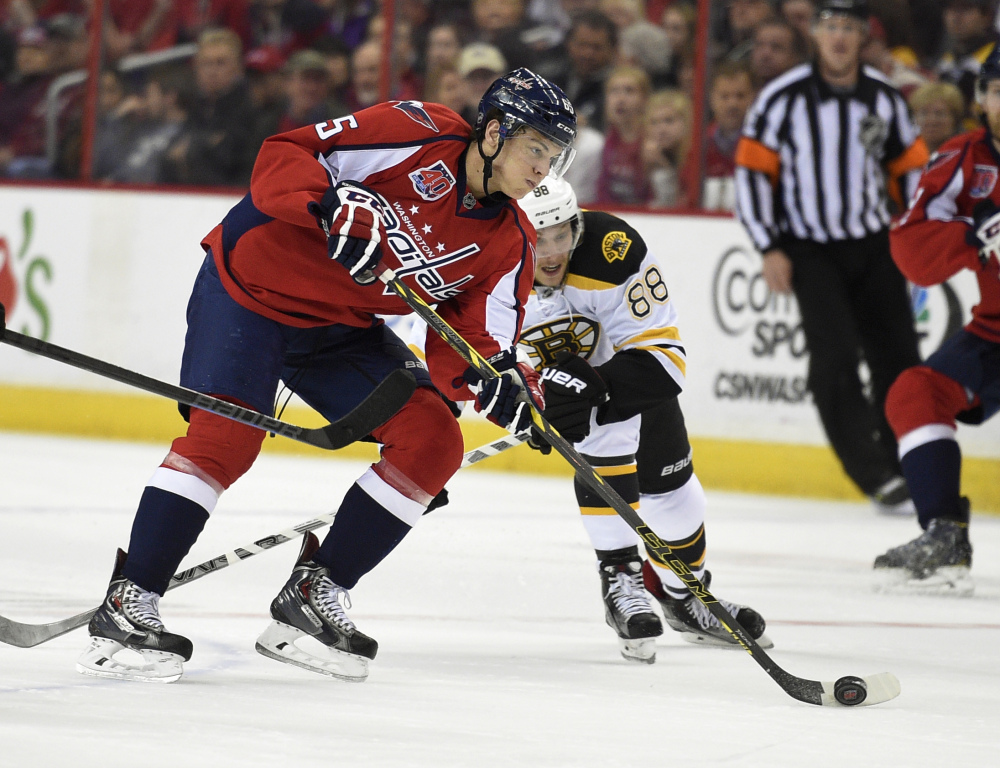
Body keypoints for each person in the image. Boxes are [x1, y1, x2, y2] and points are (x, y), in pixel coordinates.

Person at [75, 67, 577, 683]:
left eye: (553, 159)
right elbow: (284, 154)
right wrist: (330, 200)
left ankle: (316, 593)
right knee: (225, 441)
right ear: (495, 133)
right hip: (250, 290)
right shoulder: (417, 132)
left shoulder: (510, 243)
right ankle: (131, 601)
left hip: (337, 328)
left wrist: (504, 382)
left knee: (433, 440)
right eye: (536, 151)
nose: (542, 172)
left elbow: (477, 342)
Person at [517, 175, 771, 662]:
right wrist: (522, 399)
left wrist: (603, 386)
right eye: (537, 238)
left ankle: (685, 594)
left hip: (627, 374)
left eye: (560, 236)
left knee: (673, 491)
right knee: (603, 434)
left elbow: (664, 358)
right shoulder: (487, 260)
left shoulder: (612, 250)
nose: (551, 253)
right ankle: (620, 576)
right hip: (553, 382)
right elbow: (466, 355)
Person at [734, 0, 929, 514]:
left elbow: (911, 169)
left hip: (873, 243)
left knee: (899, 356)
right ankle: (872, 472)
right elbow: (752, 173)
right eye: (830, 26)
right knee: (836, 357)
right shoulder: (782, 99)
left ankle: (901, 461)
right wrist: (768, 245)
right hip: (809, 248)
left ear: (864, 36)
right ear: (815, 35)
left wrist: (912, 234)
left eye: (849, 27)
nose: (839, 37)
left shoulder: (885, 99)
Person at [873, 48, 1000, 595]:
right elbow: (912, 247)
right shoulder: (965, 160)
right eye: (998, 91)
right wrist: (972, 235)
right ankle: (944, 534)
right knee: (915, 393)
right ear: (981, 101)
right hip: (996, 331)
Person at [909, 81, 966, 155]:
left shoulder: (966, 153)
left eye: (939, 113)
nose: (931, 120)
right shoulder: (902, 154)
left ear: (955, 119)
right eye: (924, 113)